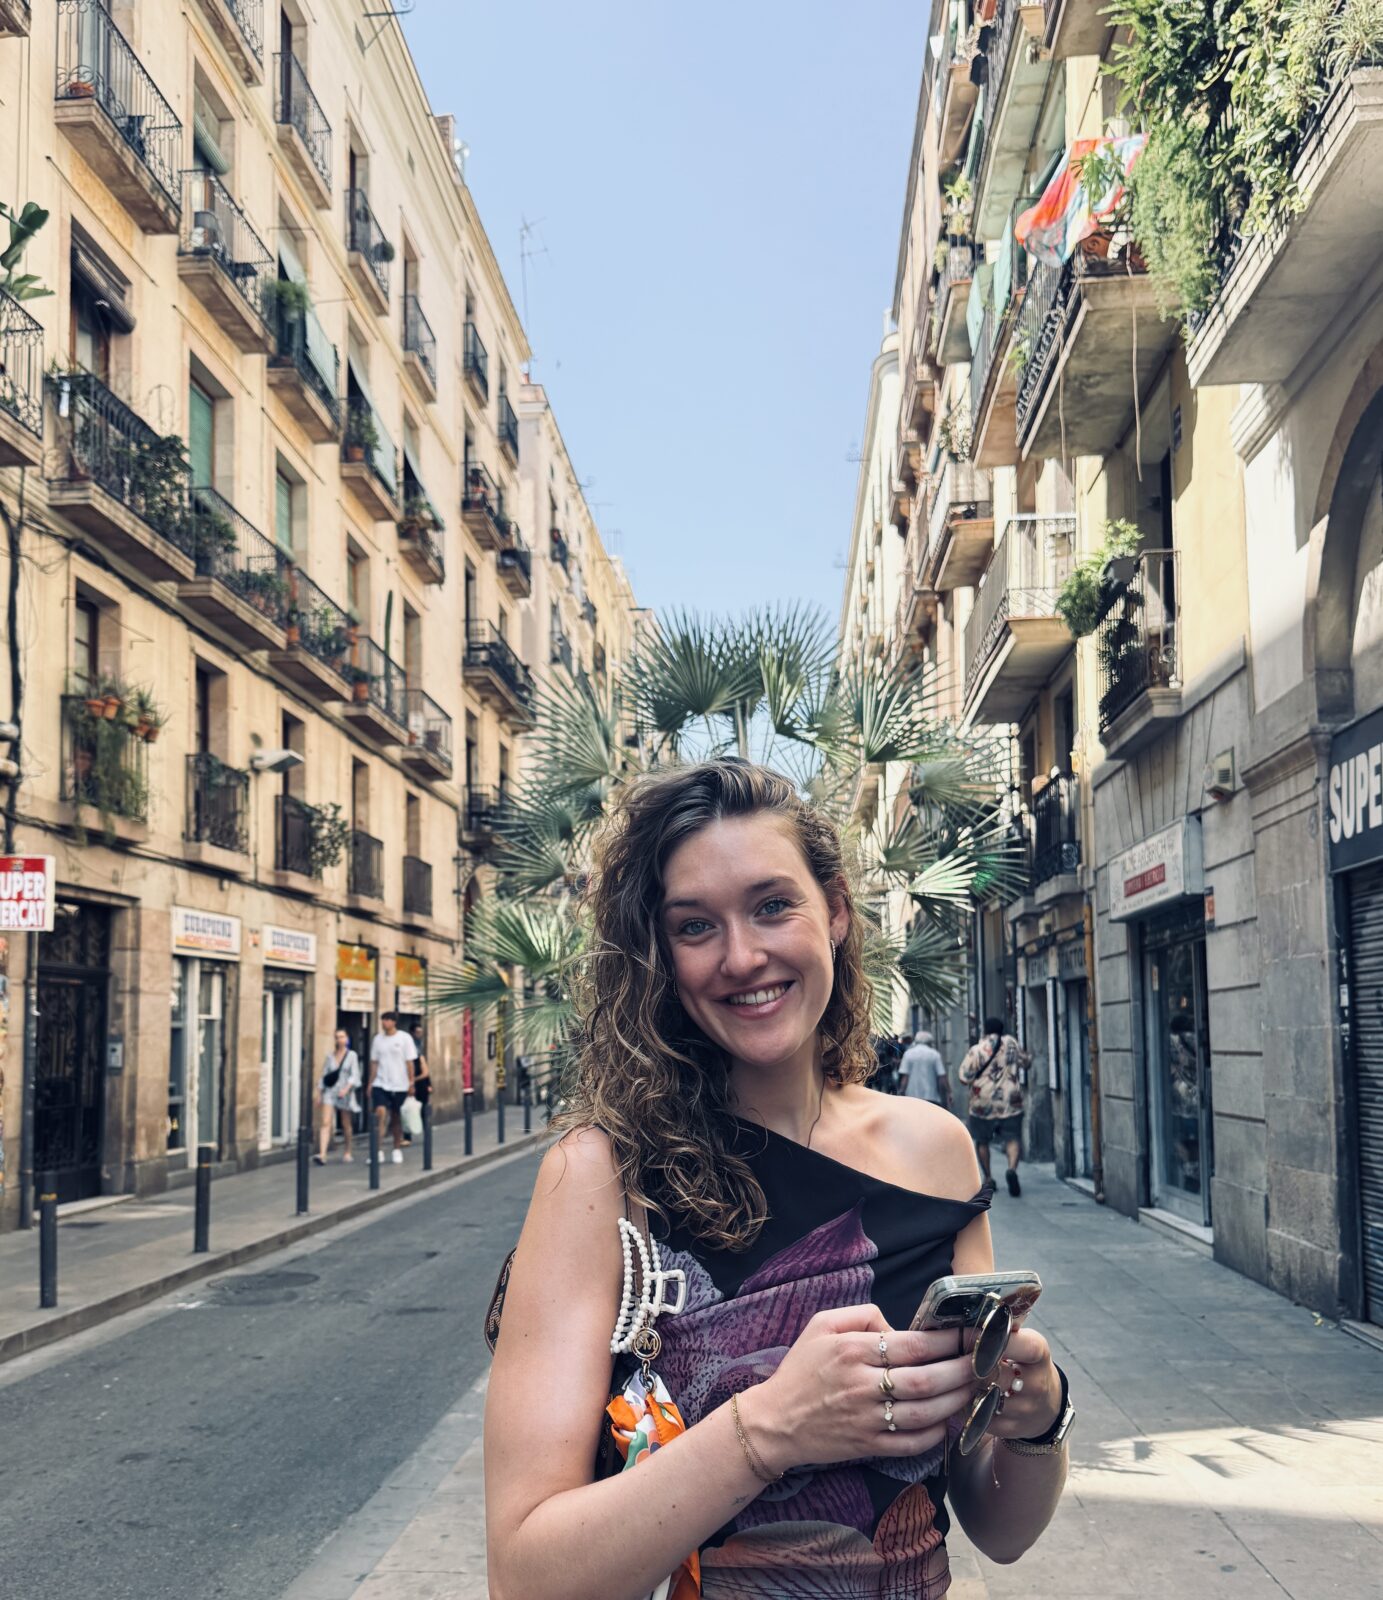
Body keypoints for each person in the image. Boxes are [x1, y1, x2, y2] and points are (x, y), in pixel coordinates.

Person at [485, 760, 1070, 1600]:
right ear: (659, 955)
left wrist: (1038, 1416)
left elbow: (1000, 1530)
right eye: (694, 927)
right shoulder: (602, 1175)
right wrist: (767, 1431)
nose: (741, 956)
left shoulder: (935, 1154)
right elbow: (525, 1576)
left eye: (771, 905)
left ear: (832, 912)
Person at [958, 1015, 1030, 1197]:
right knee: (1012, 1137)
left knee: (982, 1140)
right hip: (1010, 1100)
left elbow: (964, 1076)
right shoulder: (1012, 1043)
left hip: (983, 1101)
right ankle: (1012, 1169)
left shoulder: (977, 1049)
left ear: (985, 1030)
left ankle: (989, 1178)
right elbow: (1025, 1062)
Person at [367, 1010, 417, 1164]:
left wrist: (411, 1082)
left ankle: (396, 1148)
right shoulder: (378, 1040)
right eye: (383, 1020)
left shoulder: (404, 1038)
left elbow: (410, 1062)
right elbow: (374, 1062)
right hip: (381, 1083)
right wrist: (370, 1082)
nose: (384, 1023)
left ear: (394, 1022)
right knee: (380, 1113)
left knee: (396, 1118)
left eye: (387, 1020)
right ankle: (378, 1150)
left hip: (400, 1084)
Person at [315, 1027, 361, 1164]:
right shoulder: (330, 1056)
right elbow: (325, 1075)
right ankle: (322, 1154)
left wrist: (346, 1089)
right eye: (337, 1037)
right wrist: (319, 1093)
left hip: (345, 1093)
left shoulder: (352, 1055)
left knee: (345, 1123)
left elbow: (355, 1075)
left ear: (347, 1039)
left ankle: (348, 1151)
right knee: (325, 1122)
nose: (339, 1039)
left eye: (342, 1037)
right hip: (331, 1091)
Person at [897, 1029, 951, 1110]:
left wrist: (901, 1092)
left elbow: (905, 1077)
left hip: (912, 1098)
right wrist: (949, 1092)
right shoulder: (935, 1054)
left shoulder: (908, 1054)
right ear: (929, 1042)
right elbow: (942, 1077)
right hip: (931, 1097)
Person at [408, 1025, 432, 1142]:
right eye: (418, 1032)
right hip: (411, 1086)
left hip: (421, 1086)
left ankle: (424, 1130)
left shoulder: (420, 1053)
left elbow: (426, 1072)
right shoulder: (413, 1047)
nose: (420, 1035)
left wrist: (414, 1080)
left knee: (422, 1109)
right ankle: (407, 1135)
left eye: (421, 1032)